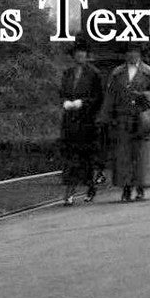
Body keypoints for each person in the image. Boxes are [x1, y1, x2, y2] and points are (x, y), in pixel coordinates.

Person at [97, 43, 150, 202]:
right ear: (125, 55)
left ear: (140, 54)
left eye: (135, 52)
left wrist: (144, 95)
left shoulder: (147, 71)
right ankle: (126, 189)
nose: (132, 55)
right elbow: (110, 96)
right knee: (123, 155)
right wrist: (104, 117)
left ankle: (140, 188)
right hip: (122, 119)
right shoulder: (117, 73)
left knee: (141, 154)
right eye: (129, 52)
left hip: (141, 119)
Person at [58, 36, 104, 205]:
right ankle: (69, 190)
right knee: (70, 156)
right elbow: (61, 92)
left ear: (86, 55)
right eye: (77, 53)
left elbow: (99, 97)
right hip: (70, 121)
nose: (80, 55)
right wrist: (65, 102)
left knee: (86, 157)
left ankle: (90, 186)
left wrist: (83, 103)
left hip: (87, 121)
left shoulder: (94, 74)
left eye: (82, 53)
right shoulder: (67, 73)